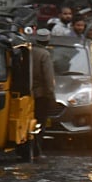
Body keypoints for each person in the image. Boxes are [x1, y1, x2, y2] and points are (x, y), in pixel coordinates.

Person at [29, 28, 56, 160]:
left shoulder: (28, 51)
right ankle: (37, 151)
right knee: (40, 123)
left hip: (27, 94)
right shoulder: (44, 54)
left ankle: (29, 149)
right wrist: (51, 96)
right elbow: (48, 77)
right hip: (41, 95)